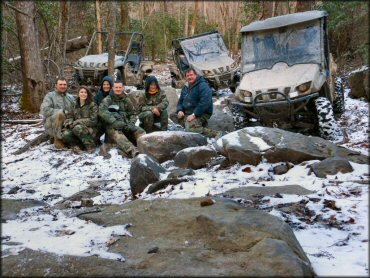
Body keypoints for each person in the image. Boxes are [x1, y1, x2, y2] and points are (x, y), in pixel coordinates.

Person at [99, 80, 145, 158]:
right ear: (113, 88)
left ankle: (146, 147)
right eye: (116, 87)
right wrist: (114, 121)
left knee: (140, 131)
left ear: (123, 88)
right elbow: (102, 112)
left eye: (120, 87)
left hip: (125, 125)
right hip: (112, 127)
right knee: (117, 134)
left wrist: (131, 123)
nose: (118, 89)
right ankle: (132, 150)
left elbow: (133, 113)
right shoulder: (107, 100)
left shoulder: (126, 99)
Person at [172, 68, 217, 138]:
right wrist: (180, 110)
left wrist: (194, 114)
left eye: (191, 75)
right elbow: (181, 100)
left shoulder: (203, 85)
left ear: (196, 75)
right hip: (187, 112)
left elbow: (205, 102)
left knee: (190, 129)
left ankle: (215, 134)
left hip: (201, 113)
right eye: (187, 76)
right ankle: (193, 124)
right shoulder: (186, 86)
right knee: (172, 117)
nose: (189, 77)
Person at [40, 77, 75, 149]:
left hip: (67, 122)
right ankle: (57, 139)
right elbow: (44, 110)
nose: (63, 86)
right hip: (52, 122)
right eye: (60, 84)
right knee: (60, 113)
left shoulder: (70, 97)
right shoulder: (50, 96)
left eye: (64, 84)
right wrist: (61, 111)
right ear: (56, 85)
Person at [61, 86, 98, 153]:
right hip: (76, 128)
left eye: (85, 92)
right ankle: (79, 145)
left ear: (88, 94)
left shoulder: (92, 105)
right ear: (78, 94)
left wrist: (78, 121)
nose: (83, 94)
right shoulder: (73, 104)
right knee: (65, 134)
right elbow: (69, 116)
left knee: (77, 128)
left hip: (90, 129)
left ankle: (91, 146)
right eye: (81, 92)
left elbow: (93, 121)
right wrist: (70, 123)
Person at [94, 76, 114, 144]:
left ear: (111, 85)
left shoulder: (114, 95)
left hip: (111, 120)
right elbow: (94, 107)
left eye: (108, 84)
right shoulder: (98, 95)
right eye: (104, 84)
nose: (106, 86)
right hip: (100, 120)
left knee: (109, 142)